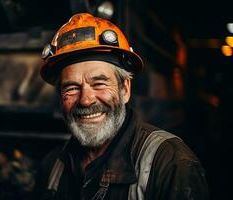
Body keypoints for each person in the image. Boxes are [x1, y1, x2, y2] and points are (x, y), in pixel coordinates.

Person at [38, 13, 209, 200]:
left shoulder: (170, 164)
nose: (86, 100)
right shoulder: (52, 165)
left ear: (125, 89)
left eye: (99, 84)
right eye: (71, 87)